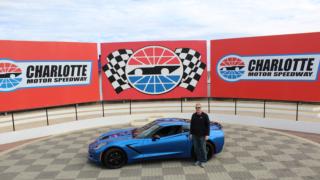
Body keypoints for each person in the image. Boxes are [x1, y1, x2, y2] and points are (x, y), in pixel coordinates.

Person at [190, 103, 210, 168]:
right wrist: (190, 133)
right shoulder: (193, 115)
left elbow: (208, 126)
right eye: (196, 108)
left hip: (202, 136)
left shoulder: (205, 115)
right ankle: (198, 160)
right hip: (195, 135)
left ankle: (204, 161)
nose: (197, 109)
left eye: (199, 107)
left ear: (201, 108)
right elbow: (191, 125)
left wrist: (207, 134)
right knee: (196, 149)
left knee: (203, 149)